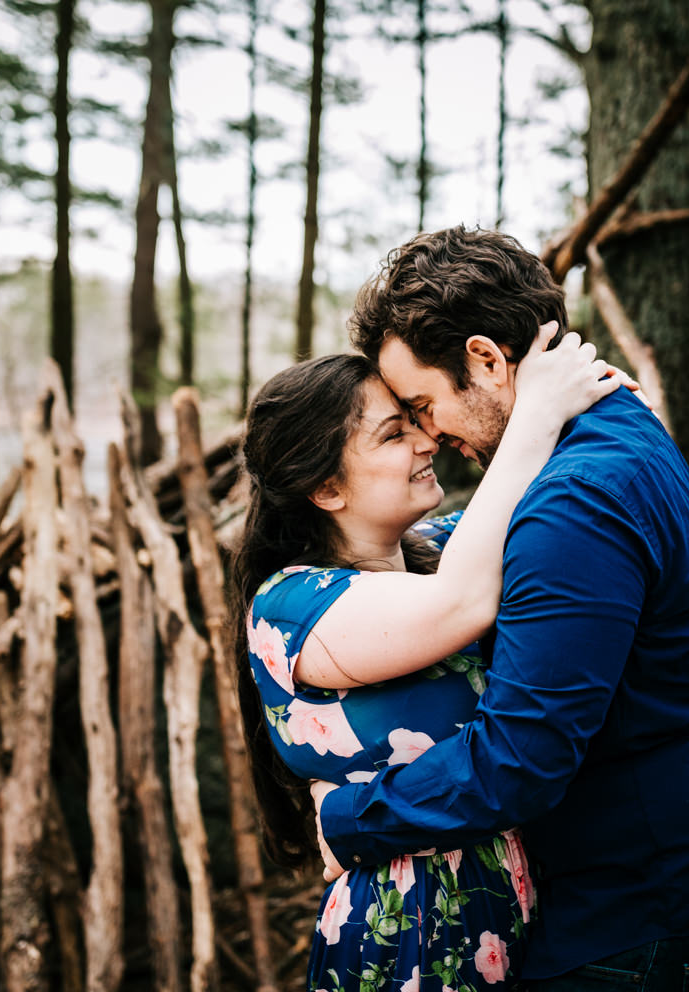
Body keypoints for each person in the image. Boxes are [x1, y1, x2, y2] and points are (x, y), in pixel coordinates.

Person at [310, 226, 689, 991]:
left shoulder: (575, 500)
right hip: (676, 895)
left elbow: (523, 754)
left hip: (660, 912)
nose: (430, 434)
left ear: (486, 360)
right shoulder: (607, 437)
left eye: (424, 403)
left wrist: (350, 819)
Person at [232, 325, 625, 990]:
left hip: (515, 913)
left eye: (416, 420)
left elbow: (529, 512)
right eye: (394, 433)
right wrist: (536, 412)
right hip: (410, 934)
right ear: (327, 488)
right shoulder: (293, 607)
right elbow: (463, 602)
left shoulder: (433, 551)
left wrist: (584, 398)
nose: (427, 441)